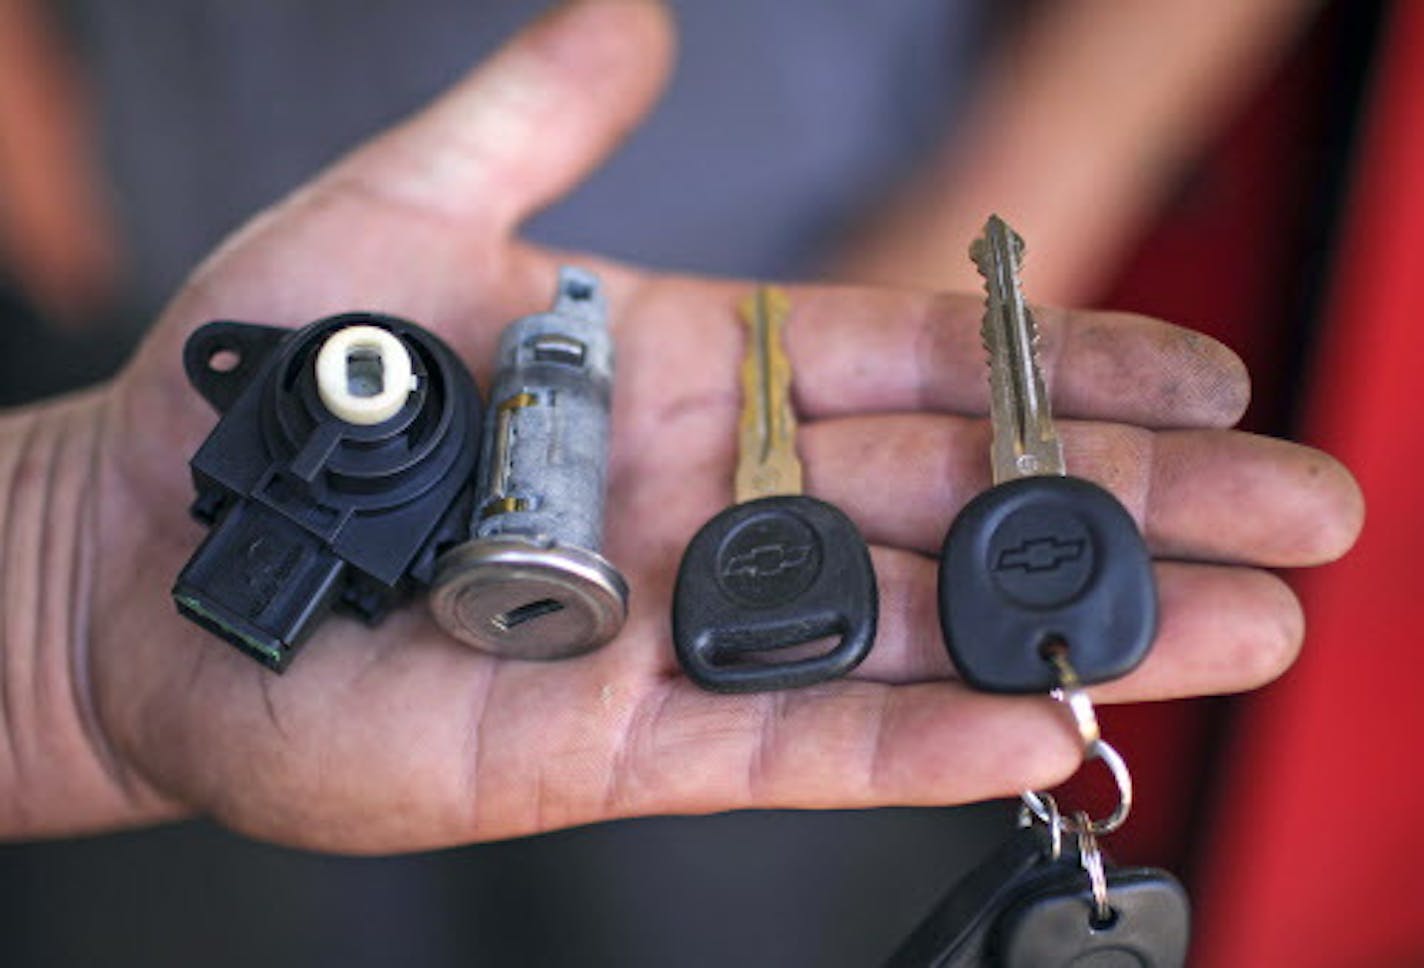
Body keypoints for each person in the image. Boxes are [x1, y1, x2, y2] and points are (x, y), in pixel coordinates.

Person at [0, 0, 1361, 854]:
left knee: (756, 864)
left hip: (851, 224)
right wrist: (55, 605)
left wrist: (1040, 167)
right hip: (144, 256)